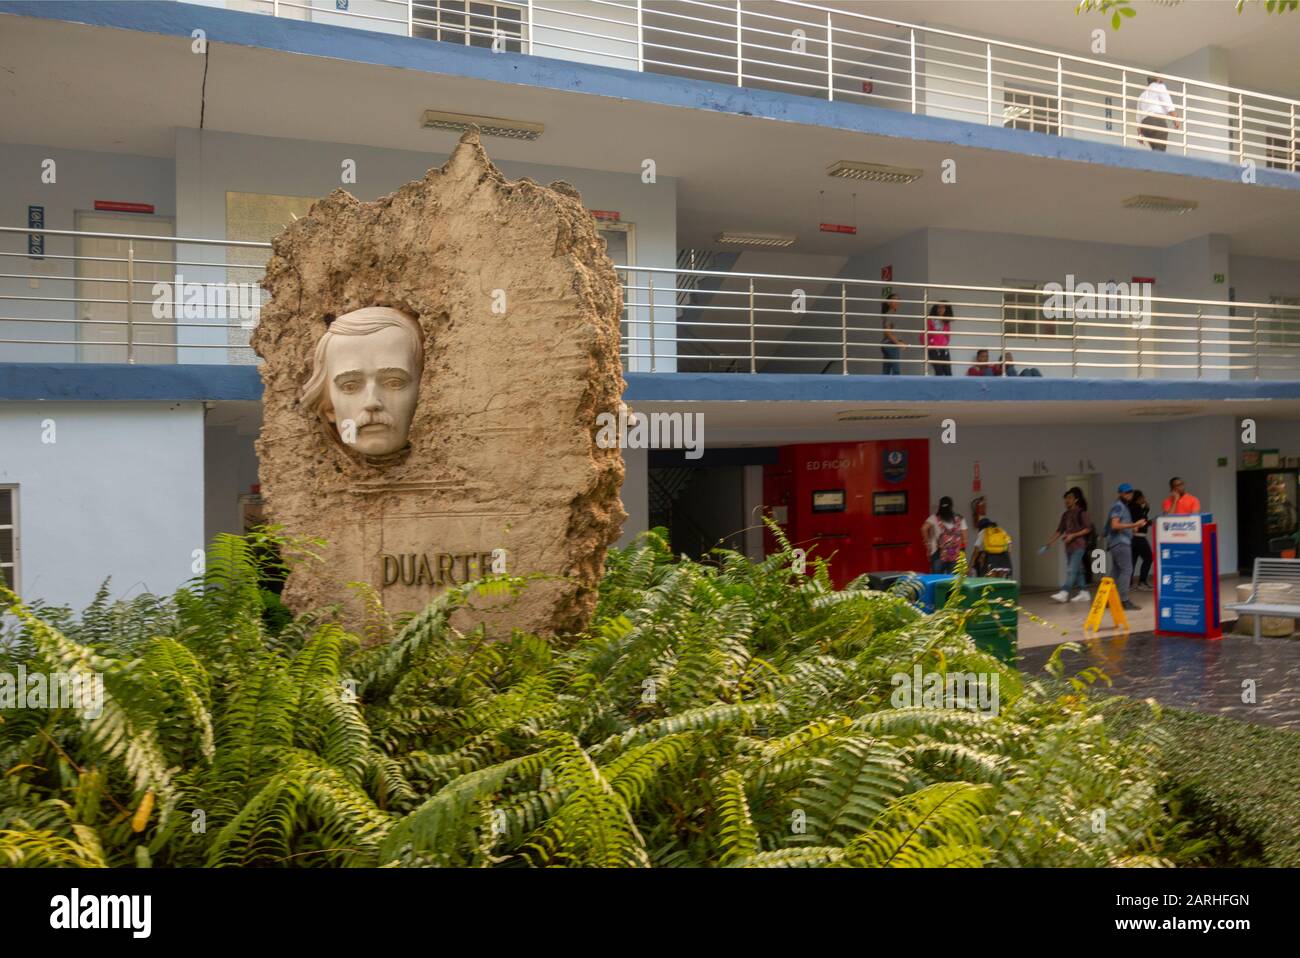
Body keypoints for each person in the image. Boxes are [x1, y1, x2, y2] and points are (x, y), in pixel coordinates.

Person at [1043, 486, 1093, 603]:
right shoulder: (1065, 515)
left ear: (1076, 499)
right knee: (1078, 570)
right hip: (1069, 547)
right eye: (1066, 498)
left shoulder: (1082, 513)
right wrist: (1049, 542)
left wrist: (1073, 535)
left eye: (1070, 498)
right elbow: (1059, 530)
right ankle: (1084, 592)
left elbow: (1088, 528)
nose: (1067, 501)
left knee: (1071, 570)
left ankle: (1064, 592)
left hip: (1079, 546)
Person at [1107, 483, 1147, 611]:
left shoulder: (1123, 506)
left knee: (1116, 572)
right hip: (1120, 543)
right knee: (1127, 570)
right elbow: (1115, 525)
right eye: (1126, 492)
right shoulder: (1118, 506)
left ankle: (1108, 599)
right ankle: (1123, 600)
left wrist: (1133, 527)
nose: (1129, 494)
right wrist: (1133, 524)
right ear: (1120, 494)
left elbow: (1120, 524)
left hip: (1116, 542)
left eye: (1130, 492)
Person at [922, 496, 967, 573]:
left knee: (937, 580)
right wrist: (962, 552)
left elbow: (923, 528)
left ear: (939, 506)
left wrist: (928, 544)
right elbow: (965, 539)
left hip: (937, 553)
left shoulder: (934, 518)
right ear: (951, 506)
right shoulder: (960, 518)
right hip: (955, 554)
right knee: (952, 581)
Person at [1136, 75, 1180, 153]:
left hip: (1145, 125)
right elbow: (1167, 103)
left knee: (1156, 151)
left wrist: (1140, 134)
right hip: (1156, 122)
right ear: (1158, 79)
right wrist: (1175, 119)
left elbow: (1138, 117)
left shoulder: (1142, 95)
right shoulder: (1160, 87)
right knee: (1160, 151)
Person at [1129, 489, 1153, 591]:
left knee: (1132, 561)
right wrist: (1150, 522)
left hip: (1132, 538)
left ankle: (1129, 584)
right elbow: (1142, 521)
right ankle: (1142, 582)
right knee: (1149, 558)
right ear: (1139, 498)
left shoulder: (1130, 508)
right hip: (1139, 537)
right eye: (1143, 497)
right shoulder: (1137, 507)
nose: (1145, 499)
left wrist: (1146, 509)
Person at [925, 302, 953, 376]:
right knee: (939, 372)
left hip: (944, 350)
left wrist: (945, 342)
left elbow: (947, 336)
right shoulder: (930, 320)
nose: (941, 309)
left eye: (943, 307)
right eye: (939, 307)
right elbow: (924, 334)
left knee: (948, 372)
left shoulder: (946, 321)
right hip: (934, 350)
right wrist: (930, 343)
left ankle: (949, 387)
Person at [880, 293, 904, 375]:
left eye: (898, 299)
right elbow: (887, 332)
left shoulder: (893, 314)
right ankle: (897, 387)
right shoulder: (889, 314)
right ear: (888, 302)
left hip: (889, 344)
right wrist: (898, 343)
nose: (896, 301)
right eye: (894, 299)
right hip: (891, 345)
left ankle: (884, 387)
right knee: (896, 370)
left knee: (886, 371)